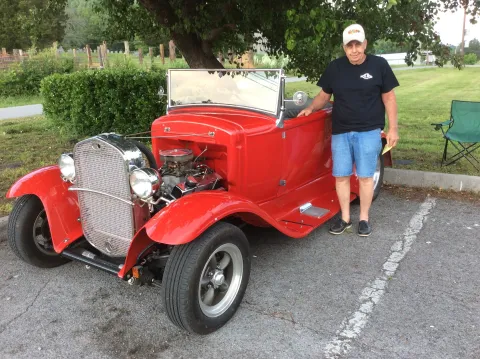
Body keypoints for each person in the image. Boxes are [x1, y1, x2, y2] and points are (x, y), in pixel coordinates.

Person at [297, 24, 399, 237]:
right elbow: (323, 96)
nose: (354, 49)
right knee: (341, 176)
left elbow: (389, 98)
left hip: (369, 131)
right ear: (344, 47)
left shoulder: (379, 65)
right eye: (349, 45)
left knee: (365, 176)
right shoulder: (335, 68)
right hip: (341, 132)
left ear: (365, 44)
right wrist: (310, 108)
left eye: (358, 44)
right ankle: (345, 218)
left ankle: (364, 218)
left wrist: (393, 128)